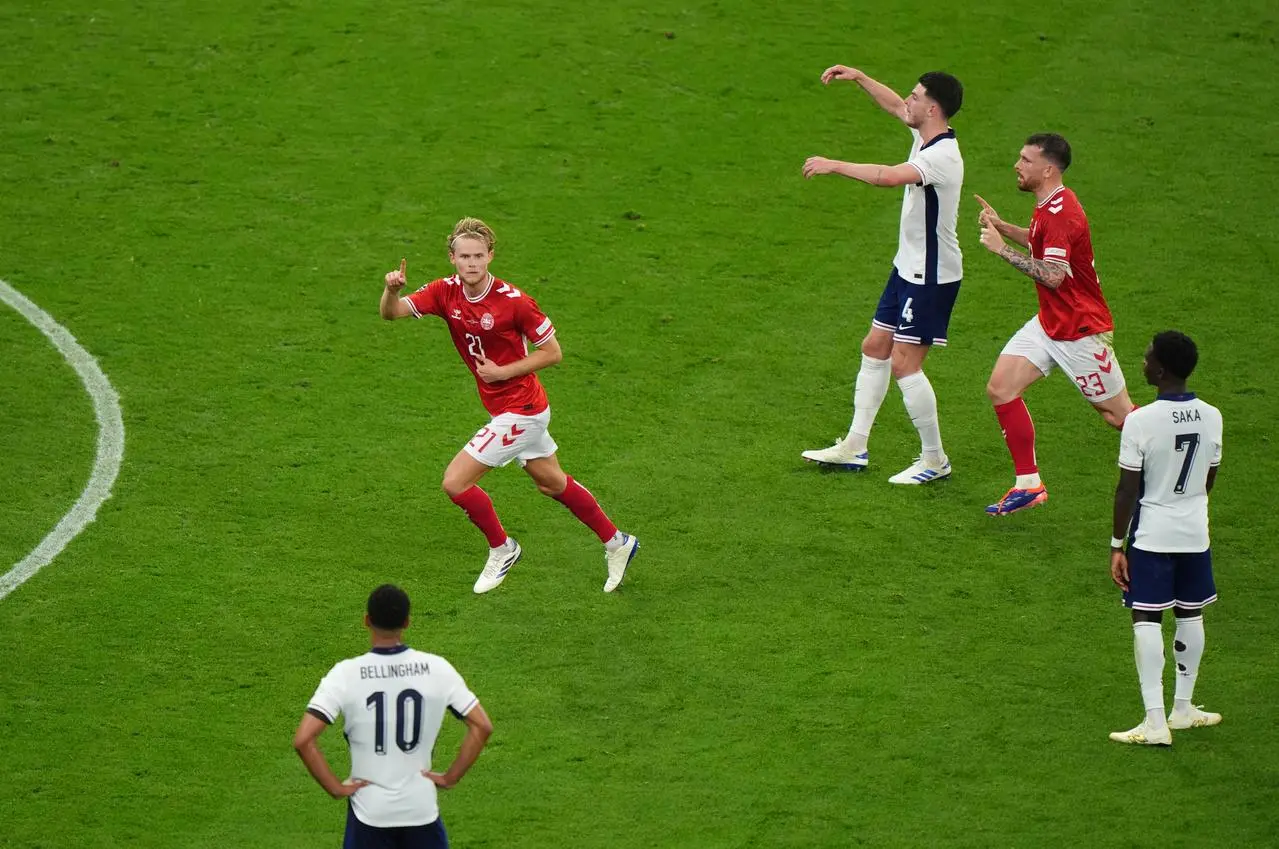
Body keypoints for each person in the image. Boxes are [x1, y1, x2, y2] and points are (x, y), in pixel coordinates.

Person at [380, 218, 639, 593]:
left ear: (490, 257)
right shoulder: (443, 292)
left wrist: (503, 372)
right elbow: (392, 313)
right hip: (503, 408)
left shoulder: (514, 302)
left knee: (455, 482)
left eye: (479, 256)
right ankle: (618, 542)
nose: (472, 263)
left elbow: (553, 353)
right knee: (551, 483)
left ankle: (503, 549)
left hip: (524, 409)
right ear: (452, 258)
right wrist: (391, 291)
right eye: (464, 256)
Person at [800, 66, 966, 485]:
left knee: (905, 364)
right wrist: (859, 77)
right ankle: (855, 446)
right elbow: (894, 105)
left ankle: (935, 459)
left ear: (932, 107)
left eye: (915, 96)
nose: (905, 101)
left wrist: (834, 164)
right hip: (906, 266)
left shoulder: (942, 157)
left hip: (930, 276)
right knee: (875, 347)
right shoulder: (926, 135)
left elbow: (888, 177)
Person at [977, 133, 1134, 516]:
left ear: (1047, 169)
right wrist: (1003, 226)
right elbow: (1041, 241)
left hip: (1080, 331)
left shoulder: (1061, 213)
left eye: (1025, 160)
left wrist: (1002, 250)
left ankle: (1178, 451)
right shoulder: (1051, 202)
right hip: (1050, 323)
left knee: (1121, 418)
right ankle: (1029, 484)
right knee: (1001, 388)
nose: (1017, 164)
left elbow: (1054, 276)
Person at [293, 584, 493, 847]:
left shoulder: (345, 674)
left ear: (367, 620)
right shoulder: (437, 669)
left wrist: (336, 788)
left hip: (369, 812)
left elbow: (303, 740)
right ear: (407, 622)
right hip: (420, 810)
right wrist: (450, 777)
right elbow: (482, 726)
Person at [1107, 332, 1223, 746]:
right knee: (1191, 615)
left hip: (1153, 535)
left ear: (1161, 369)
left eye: (1147, 357)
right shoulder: (1212, 415)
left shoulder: (1141, 420)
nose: (1143, 362)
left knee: (1146, 617)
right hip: (1195, 532)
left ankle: (1155, 722)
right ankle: (1184, 709)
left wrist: (1117, 544)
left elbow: (1127, 490)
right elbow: (1208, 476)